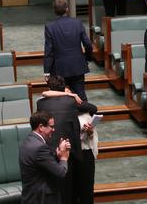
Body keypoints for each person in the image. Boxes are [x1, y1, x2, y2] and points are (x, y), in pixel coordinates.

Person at [36, 76, 98, 204]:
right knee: (70, 190)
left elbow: (44, 94)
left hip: (56, 151)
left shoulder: (41, 103)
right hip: (70, 152)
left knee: (64, 191)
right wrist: (71, 96)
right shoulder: (71, 102)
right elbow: (93, 108)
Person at [44, 0, 93, 101]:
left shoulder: (50, 27)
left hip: (59, 69)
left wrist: (47, 72)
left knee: (61, 98)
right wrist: (87, 58)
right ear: (67, 9)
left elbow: (49, 51)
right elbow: (88, 44)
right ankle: (85, 116)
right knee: (81, 97)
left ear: (54, 10)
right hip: (77, 66)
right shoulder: (77, 23)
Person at [19, 111, 71, 204]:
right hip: (41, 199)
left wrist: (57, 155)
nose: (54, 129)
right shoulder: (40, 147)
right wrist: (64, 157)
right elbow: (61, 172)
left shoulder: (29, 141)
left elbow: (41, 164)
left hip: (30, 197)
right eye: (51, 126)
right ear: (41, 127)